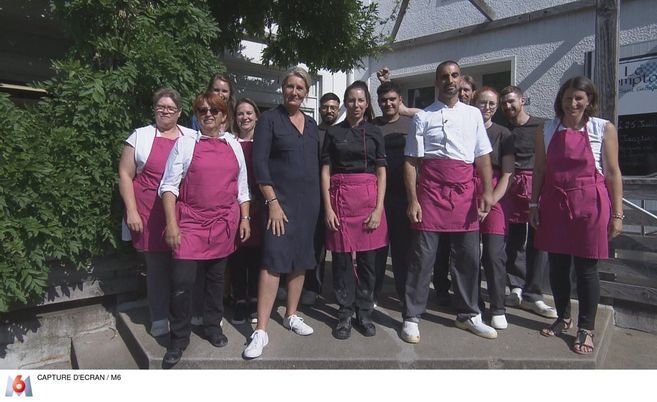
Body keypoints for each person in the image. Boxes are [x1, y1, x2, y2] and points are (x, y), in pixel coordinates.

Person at [401, 60, 497, 343]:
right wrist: (413, 199)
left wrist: (488, 192)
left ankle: (469, 314)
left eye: (454, 76)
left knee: (468, 257)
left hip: (465, 193)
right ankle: (412, 316)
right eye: (444, 77)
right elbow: (411, 162)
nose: (450, 81)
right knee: (423, 257)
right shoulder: (423, 117)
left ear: (460, 80)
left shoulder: (473, 115)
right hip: (430, 192)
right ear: (436, 82)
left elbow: (482, 157)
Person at [531, 76, 623, 354]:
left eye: (579, 98)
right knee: (558, 266)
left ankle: (586, 327)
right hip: (555, 202)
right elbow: (540, 170)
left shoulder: (602, 128)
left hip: (590, 203)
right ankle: (563, 316)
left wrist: (617, 214)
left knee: (586, 269)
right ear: (560, 99)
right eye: (568, 97)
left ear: (589, 101)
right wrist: (534, 205)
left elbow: (613, 172)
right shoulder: (546, 130)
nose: (572, 103)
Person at [159, 92, 251, 368]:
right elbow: (168, 186)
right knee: (182, 285)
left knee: (216, 281)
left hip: (223, 223)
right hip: (189, 223)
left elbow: (242, 187)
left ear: (224, 116)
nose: (207, 114)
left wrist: (245, 218)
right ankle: (178, 339)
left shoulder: (234, 146)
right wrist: (172, 224)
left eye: (214, 110)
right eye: (202, 110)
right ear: (197, 116)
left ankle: (212, 326)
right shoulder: (185, 144)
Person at [244, 66, 320, 359]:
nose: (294, 92)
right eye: (290, 86)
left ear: (306, 92)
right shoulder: (270, 121)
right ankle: (261, 330)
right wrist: (272, 203)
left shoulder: (312, 124)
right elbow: (260, 165)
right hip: (280, 204)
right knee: (273, 262)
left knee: (301, 259)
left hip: (308, 205)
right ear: (282, 88)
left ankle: (291, 315)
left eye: (300, 88)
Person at [118, 88, 194, 338]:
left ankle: (183, 313)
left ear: (179, 112)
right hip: (148, 210)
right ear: (154, 109)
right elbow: (126, 175)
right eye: (161, 106)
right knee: (157, 267)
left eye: (171, 108)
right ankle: (159, 315)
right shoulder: (139, 136)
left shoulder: (191, 136)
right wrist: (131, 211)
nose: (165, 111)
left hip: (181, 210)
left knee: (184, 267)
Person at [322, 81, 388, 339]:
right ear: (345, 103)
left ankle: (364, 312)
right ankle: (344, 314)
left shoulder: (374, 132)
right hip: (340, 200)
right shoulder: (334, 133)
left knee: (368, 263)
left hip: (369, 201)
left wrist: (379, 208)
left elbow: (381, 171)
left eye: (361, 100)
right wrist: (328, 207)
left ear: (367, 103)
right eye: (351, 100)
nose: (356, 105)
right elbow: (325, 170)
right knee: (341, 262)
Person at [500, 86, 557, 318]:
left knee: (538, 242)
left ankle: (533, 294)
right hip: (510, 186)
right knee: (513, 240)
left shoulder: (542, 126)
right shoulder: (502, 129)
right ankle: (515, 287)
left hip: (536, 187)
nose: (507, 107)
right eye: (504, 103)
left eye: (511, 102)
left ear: (522, 101)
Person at [472, 87, 515, 329]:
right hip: (468, 191)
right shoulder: (468, 129)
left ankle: (497, 307)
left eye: (491, 104)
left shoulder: (504, 133)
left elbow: (508, 174)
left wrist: (490, 202)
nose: (486, 108)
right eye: (482, 102)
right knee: (468, 254)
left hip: (496, 195)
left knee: (493, 254)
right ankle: (472, 303)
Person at [372, 80, 412, 305]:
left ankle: (405, 295)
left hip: (405, 195)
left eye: (392, 100)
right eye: (384, 100)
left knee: (403, 250)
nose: (388, 103)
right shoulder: (372, 125)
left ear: (400, 101)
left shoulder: (413, 124)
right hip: (377, 196)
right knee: (376, 249)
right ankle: (373, 293)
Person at [300, 92, 342, 306]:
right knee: (315, 244)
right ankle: (312, 286)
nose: (329, 110)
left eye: (333, 107)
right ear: (320, 109)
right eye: (325, 107)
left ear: (339, 109)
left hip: (342, 196)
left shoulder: (345, 132)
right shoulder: (312, 133)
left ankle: (340, 288)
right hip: (315, 195)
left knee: (341, 246)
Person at [228, 98, 262, 324]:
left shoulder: (264, 142)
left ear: (256, 116)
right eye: (240, 113)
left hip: (260, 205)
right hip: (235, 204)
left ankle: (255, 300)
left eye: (249, 113)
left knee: (257, 256)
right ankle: (240, 299)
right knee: (238, 254)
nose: (245, 117)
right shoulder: (229, 142)